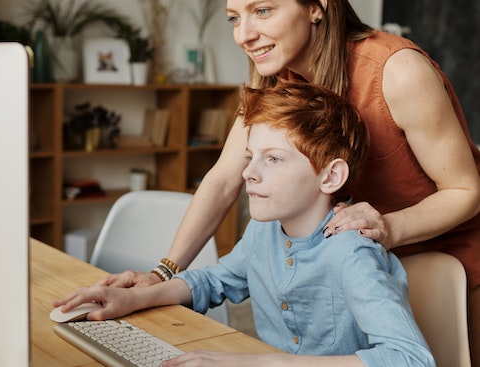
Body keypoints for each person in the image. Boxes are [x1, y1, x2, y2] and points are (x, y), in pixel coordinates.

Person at [95, 1, 480, 364]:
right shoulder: (275, 82)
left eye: (262, 10)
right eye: (234, 17)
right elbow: (224, 179)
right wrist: (162, 274)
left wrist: (389, 227)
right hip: (353, 253)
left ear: (316, 7)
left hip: (448, 257)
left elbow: (465, 191)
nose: (243, 34)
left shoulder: (398, 71)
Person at [55, 80, 435, 367]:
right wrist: (135, 297)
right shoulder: (265, 230)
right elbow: (215, 280)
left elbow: (410, 358)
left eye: (273, 159)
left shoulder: (350, 251)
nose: (248, 174)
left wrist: (255, 362)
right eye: (250, 157)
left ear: (331, 177)